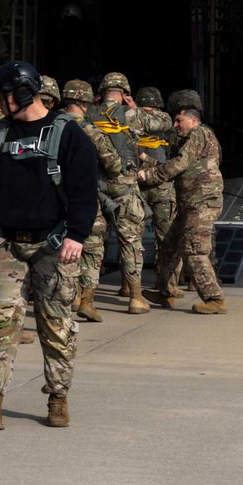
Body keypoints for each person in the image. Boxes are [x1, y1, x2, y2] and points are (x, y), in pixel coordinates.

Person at [0, 61, 99, 430]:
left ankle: (57, 397)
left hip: (55, 244)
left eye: (1, 99)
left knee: (56, 326)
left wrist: (76, 236)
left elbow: (85, 190)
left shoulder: (68, 134)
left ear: (20, 93)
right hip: (8, 244)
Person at [140, 102, 228, 314]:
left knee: (194, 250)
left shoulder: (199, 134)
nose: (176, 125)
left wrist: (149, 176)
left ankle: (214, 298)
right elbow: (176, 166)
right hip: (190, 202)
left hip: (201, 201)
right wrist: (145, 159)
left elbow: (178, 165)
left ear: (194, 120)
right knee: (170, 245)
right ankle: (165, 291)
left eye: (180, 120)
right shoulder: (192, 142)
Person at [60, 79, 124, 323]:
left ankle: (69, 296)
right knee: (93, 247)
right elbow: (114, 164)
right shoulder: (90, 130)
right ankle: (86, 299)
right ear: (87, 103)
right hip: (83, 197)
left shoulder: (49, 126)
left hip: (53, 198)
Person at [93, 72, 150, 314]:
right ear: (124, 92)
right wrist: (136, 108)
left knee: (91, 240)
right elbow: (165, 124)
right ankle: (135, 296)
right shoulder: (132, 114)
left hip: (94, 184)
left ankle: (82, 297)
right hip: (124, 184)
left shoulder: (89, 113)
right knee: (130, 240)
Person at [134, 86, 177, 283]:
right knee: (166, 237)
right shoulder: (167, 121)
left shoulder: (130, 118)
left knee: (132, 236)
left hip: (138, 181)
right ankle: (168, 283)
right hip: (162, 182)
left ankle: (129, 285)